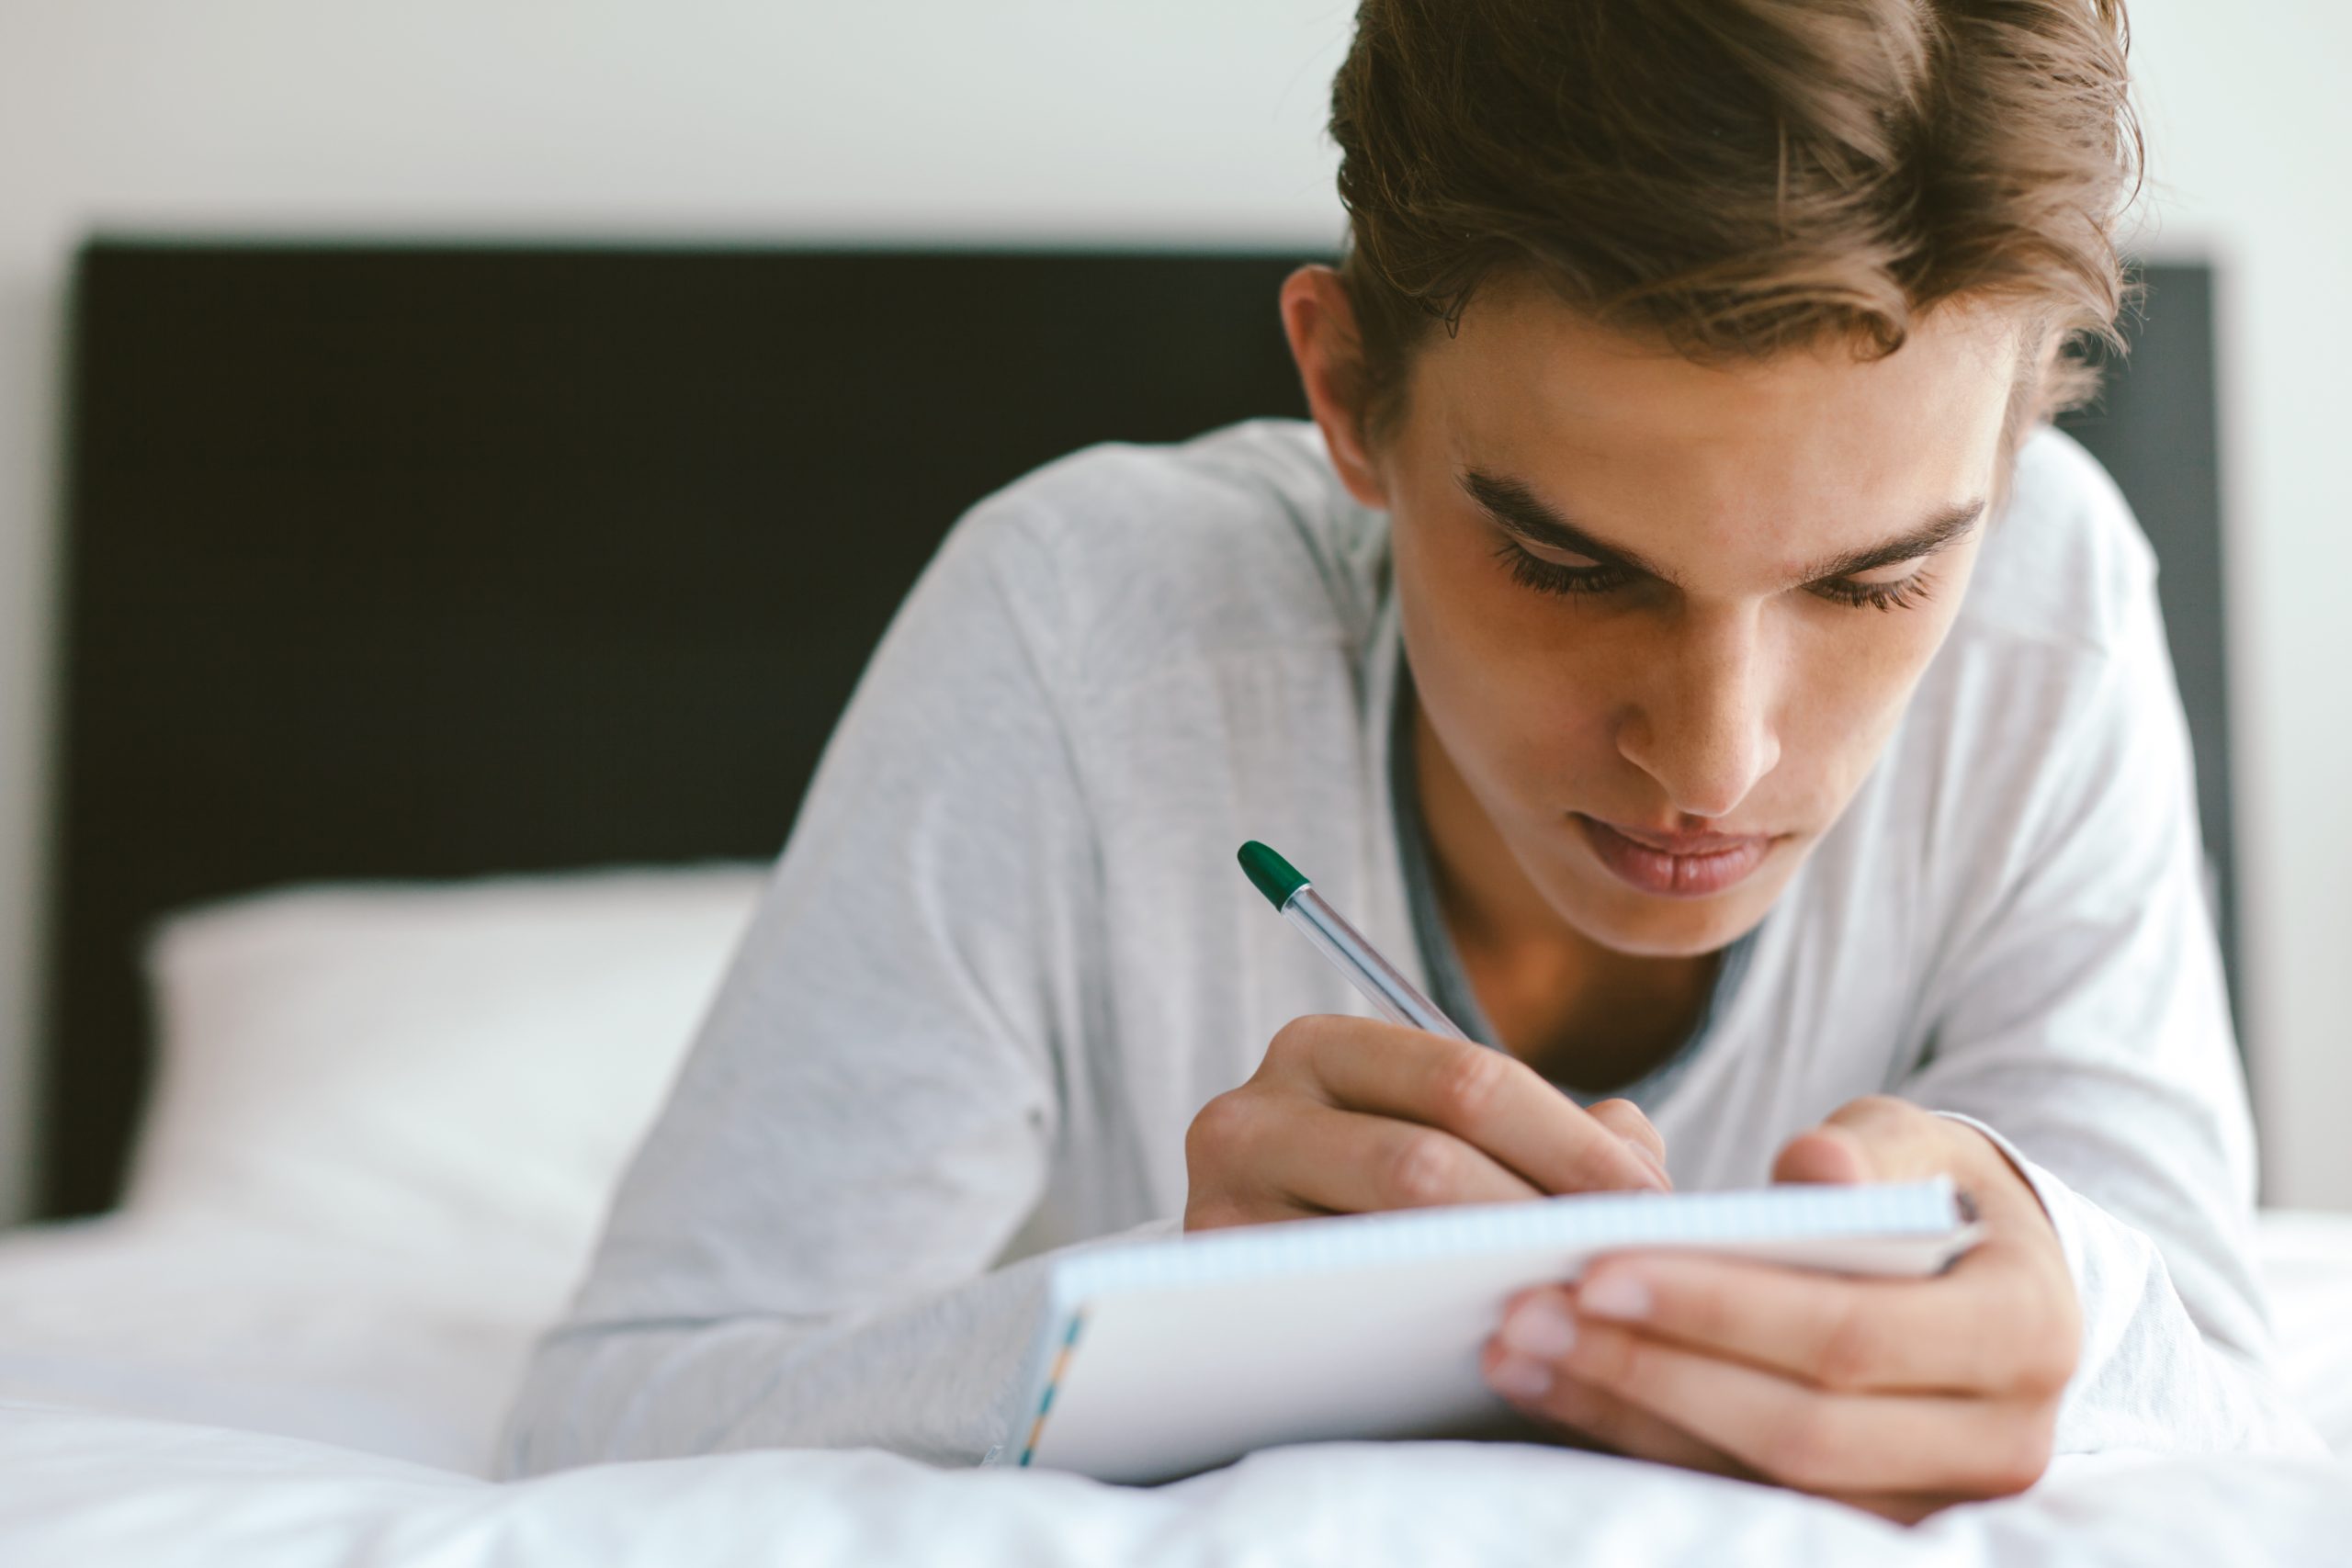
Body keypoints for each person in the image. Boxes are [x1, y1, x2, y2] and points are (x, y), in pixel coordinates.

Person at [500, 0, 2323, 1517]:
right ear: (1346, 393)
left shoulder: (2051, 598)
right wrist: (1166, 1316)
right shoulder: (1088, 630)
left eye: (1873, 579)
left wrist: (2062, 1287)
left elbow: (2229, 1385)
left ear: (2000, 471)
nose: (1713, 755)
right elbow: (599, 1422)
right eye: (1566, 563)